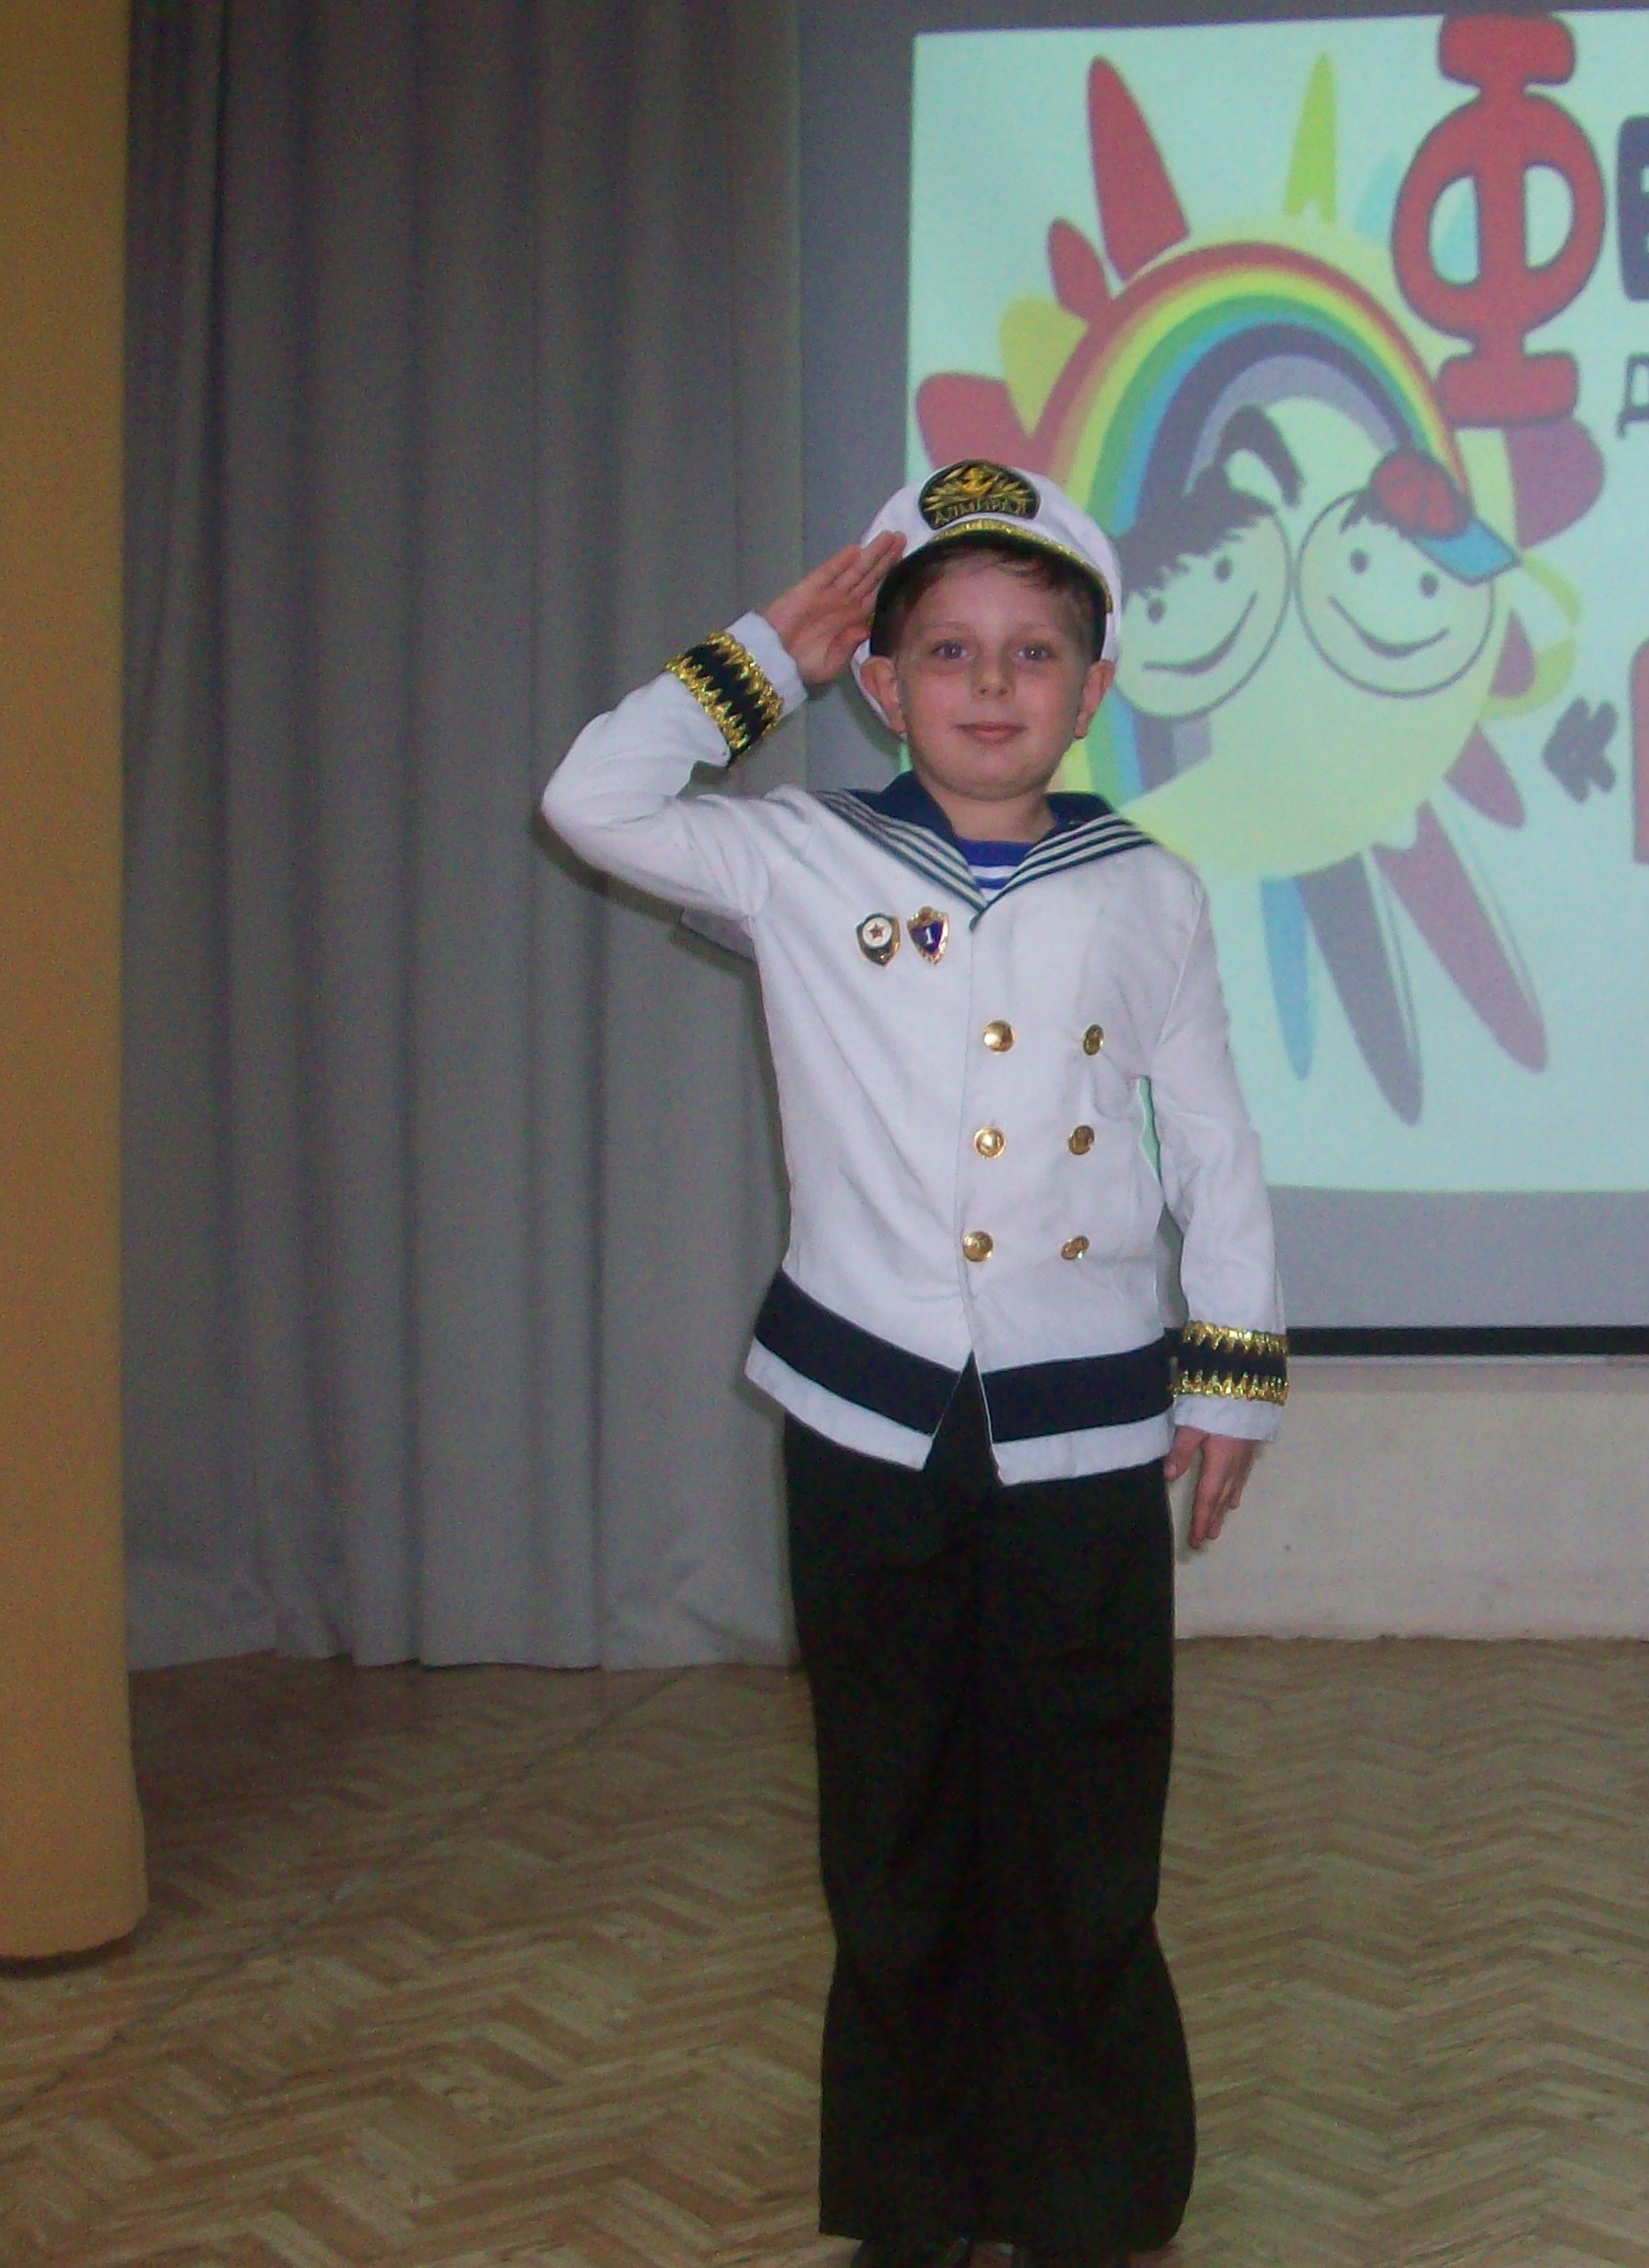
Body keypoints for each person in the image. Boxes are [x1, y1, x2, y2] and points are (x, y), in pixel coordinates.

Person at [540, 458, 1286, 2268]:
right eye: (945, 648)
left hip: (1083, 1427)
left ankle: (1092, 2195)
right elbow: (592, 797)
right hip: (865, 1419)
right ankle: (918, 2196)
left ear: (1095, 688)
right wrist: (756, 662)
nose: (990, 683)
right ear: (880, 680)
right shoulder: (800, 858)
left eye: (1035, 651)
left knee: (1086, 1827)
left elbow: (1212, 1139)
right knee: (892, 1825)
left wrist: (1228, 1372)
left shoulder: (1149, 888)